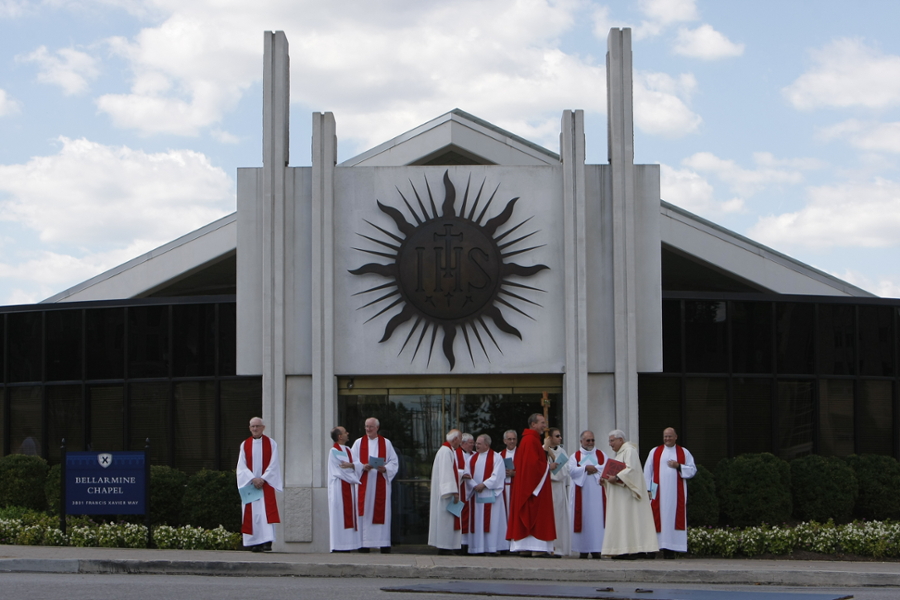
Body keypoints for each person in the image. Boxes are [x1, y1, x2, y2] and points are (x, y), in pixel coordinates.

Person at [600, 429, 658, 559]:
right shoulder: (620, 453)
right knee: (622, 521)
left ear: (621, 440)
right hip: (621, 497)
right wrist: (605, 480)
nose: (610, 444)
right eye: (609, 441)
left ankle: (629, 550)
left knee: (628, 521)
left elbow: (632, 470)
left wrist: (616, 478)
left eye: (612, 440)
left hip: (627, 498)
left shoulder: (629, 451)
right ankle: (621, 549)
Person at [507, 413, 556, 558]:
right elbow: (532, 467)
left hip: (528, 486)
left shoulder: (529, 440)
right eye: (542, 422)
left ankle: (525, 548)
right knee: (536, 514)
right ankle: (537, 548)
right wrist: (548, 466)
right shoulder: (530, 440)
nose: (544, 426)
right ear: (533, 424)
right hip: (533, 489)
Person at [644, 427, 697, 558]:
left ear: (675, 437)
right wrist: (648, 490)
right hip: (657, 492)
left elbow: (692, 469)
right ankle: (652, 550)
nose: (667, 439)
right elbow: (647, 471)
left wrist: (678, 466)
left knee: (671, 519)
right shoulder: (655, 451)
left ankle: (670, 550)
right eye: (665, 436)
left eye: (670, 436)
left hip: (675, 494)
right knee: (655, 518)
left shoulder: (683, 452)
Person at [351, 417, 399, 553]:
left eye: (371, 427)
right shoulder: (358, 443)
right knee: (364, 513)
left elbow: (394, 462)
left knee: (380, 512)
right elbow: (352, 461)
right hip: (364, 484)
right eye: (366, 426)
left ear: (377, 428)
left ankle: (382, 543)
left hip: (380, 482)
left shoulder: (386, 443)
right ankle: (363, 544)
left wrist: (385, 469)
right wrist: (362, 466)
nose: (368, 429)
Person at [236, 416, 283, 552]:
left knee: (265, 513)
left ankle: (267, 542)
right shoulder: (245, 444)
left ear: (263, 427)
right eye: (252, 426)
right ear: (249, 428)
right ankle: (255, 542)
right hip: (251, 484)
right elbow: (241, 466)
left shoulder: (271, 443)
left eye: (257, 426)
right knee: (253, 514)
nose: (255, 429)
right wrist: (252, 478)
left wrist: (263, 478)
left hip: (265, 484)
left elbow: (274, 464)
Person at [567, 430, 607, 559]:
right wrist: (585, 469)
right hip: (582, 493)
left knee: (597, 520)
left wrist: (595, 469)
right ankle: (583, 550)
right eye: (588, 440)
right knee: (583, 519)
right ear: (581, 441)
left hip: (598, 495)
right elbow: (571, 470)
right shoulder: (575, 456)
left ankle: (597, 549)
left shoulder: (601, 455)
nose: (590, 443)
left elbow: (607, 467)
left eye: (592, 440)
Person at [466, 434, 506, 555]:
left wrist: (483, 485)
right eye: (476, 443)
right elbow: (467, 475)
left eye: (479, 443)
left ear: (487, 445)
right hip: (476, 496)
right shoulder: (471, 458)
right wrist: (474, 485)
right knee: (478, 521)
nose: (476, 446)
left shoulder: (496, 457)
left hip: (491, 495)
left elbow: (497, 476)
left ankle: (491, 548)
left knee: (492, 522)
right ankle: (477, 548)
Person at [428, 429, 466, 554]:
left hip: (446, 491)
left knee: (446, 520)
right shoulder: (446, 451)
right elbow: (446, 473)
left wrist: (460, 475)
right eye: (460, 439)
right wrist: (453, 492)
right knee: (446, 520)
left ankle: (447, 546)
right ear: (455, 439)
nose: (461, 442)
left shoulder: (447, 450)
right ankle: (444, 546)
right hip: (446, 495)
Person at [327, 425, 361, 552]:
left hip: (349, 487)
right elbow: (339, 470)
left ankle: (349, 545)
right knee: (339, 516)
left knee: (348, 515)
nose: (348, 433)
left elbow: (358, 464)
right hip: (339, 487)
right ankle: (338, 545)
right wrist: (353, 476)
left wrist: (352, 465)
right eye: (345, 432)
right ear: (339, 436)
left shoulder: (348, 450)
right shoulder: (333, 451)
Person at [544, 427, 571, 557]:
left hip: (558, 489)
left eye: (560, 436)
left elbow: (565, 471)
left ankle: (558, 547)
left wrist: (553, 468)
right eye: (557, 436)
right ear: (549, 438)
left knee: (558, 519)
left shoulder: (562, 452)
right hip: (546, 489)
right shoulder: (542, 450)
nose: (560, 438)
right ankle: (546, 547)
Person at [459, 432, 475, 550]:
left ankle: (469, 543)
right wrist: (462, 474)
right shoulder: (456, 454)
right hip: (461, 489)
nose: (473, 445)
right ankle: (460, 543)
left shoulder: (475, 455)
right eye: (471, 443)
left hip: (473, 491)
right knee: (459, 516)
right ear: (463, 443)